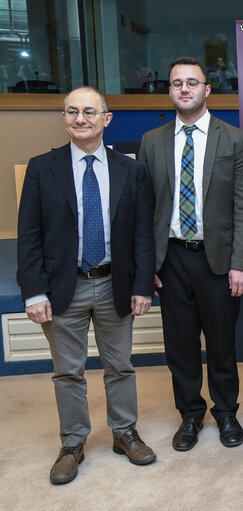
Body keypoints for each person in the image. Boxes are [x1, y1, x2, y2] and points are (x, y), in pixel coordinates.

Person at [17, 86, 156, 484]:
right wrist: (34, 292)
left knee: (120, 366)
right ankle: (73, 443)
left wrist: (142, 286)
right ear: (64, 118)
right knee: (68, 372)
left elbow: (142, 234)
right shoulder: (42, 168)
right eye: (73, 112)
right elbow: (28, 236)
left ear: (106, 119)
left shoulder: (131, 170)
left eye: (90, 112)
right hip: (63, 288)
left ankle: (124, 433)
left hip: (115, 284)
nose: (81, 119)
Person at [139, 56, 243, 452]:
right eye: (176, 83)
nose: (184, 89)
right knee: (180, 345)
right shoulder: (152, 142)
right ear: (168, 90)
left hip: (218, 260)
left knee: (222, 344)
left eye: (192, 83)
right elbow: (144, 209)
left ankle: (225, 412)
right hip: (170, 259)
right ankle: (190, 414)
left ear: (208, 90)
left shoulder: (234, 139)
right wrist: (147, 266)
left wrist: (242, 263)